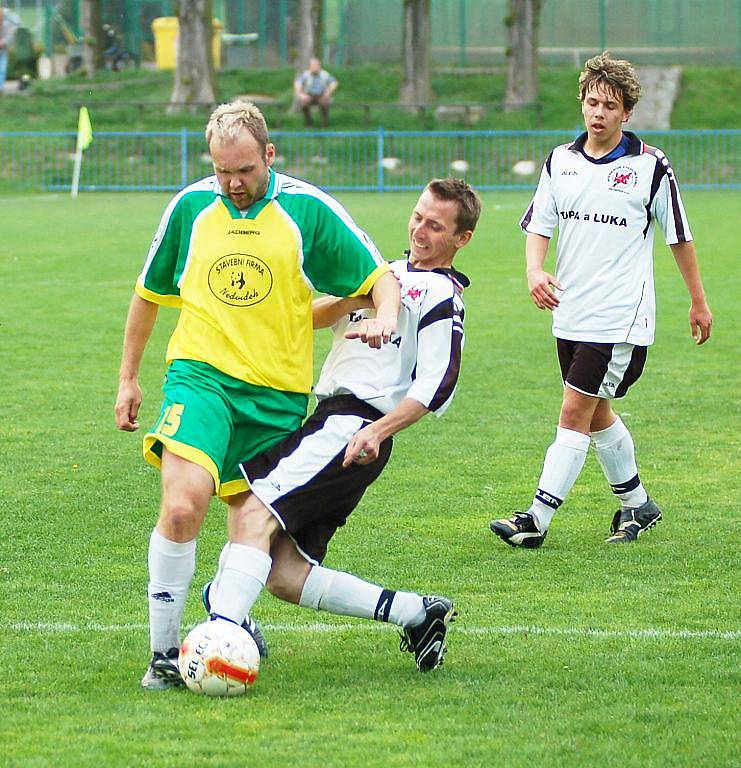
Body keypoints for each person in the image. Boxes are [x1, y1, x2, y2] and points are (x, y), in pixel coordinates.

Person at [114, 99, 400, 690]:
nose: (234, 184)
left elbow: (379, 278)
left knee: (268, 552)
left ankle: (232, 619)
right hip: (201, 378)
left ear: (269, 154)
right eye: (223, 171)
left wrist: (382, 317)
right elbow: (148, 294)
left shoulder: (308, 211)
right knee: (182, 506)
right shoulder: (191, 208)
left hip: (276, 399)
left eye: (244, 170)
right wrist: (128, 377)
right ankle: (165, 654)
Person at [201, 178, 482, 673]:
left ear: (462, 240)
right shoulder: (381, 274)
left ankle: (219, 637)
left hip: (354, 424)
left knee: (251, 513)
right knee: (286, 574)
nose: (419, 231)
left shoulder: (440, 294)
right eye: (418, 216)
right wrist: (361, 296)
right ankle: (417, 613)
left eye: (436, 226)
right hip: (331, 422)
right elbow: (307, 317)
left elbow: (438, 383)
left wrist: (378, 431)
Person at [490, 52, 713, 549]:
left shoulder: (650, 167)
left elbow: (680, 237)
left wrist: (698, 302)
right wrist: (533, 271)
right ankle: (638, 505)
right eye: (592, 102)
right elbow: (538, 227)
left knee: (574, 411)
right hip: (569, 312)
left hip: (619, 320)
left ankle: (536, 520)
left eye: (609, 105)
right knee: (596, 413)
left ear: (626, 112)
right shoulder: (560, 161)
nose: (598, 113)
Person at [294, 57, 338, 127]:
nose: (314, 67)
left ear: (319, 66)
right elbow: (298, 83)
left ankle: (324, 123)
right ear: (309, 66)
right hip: (309, 95)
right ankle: (309, 122)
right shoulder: (306, 74)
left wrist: (328, 92)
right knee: (303, 103)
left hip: (321, 95)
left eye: (316, 65)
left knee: (325, 102)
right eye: (312, 66)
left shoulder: (325, 74)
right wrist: (301, 94)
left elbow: (334, 82)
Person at [0, 7, 18, 94]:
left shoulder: (8, 22)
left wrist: (4, 42)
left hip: (3, 49)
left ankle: (0, 88)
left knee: (2, 68)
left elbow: (16, 26)